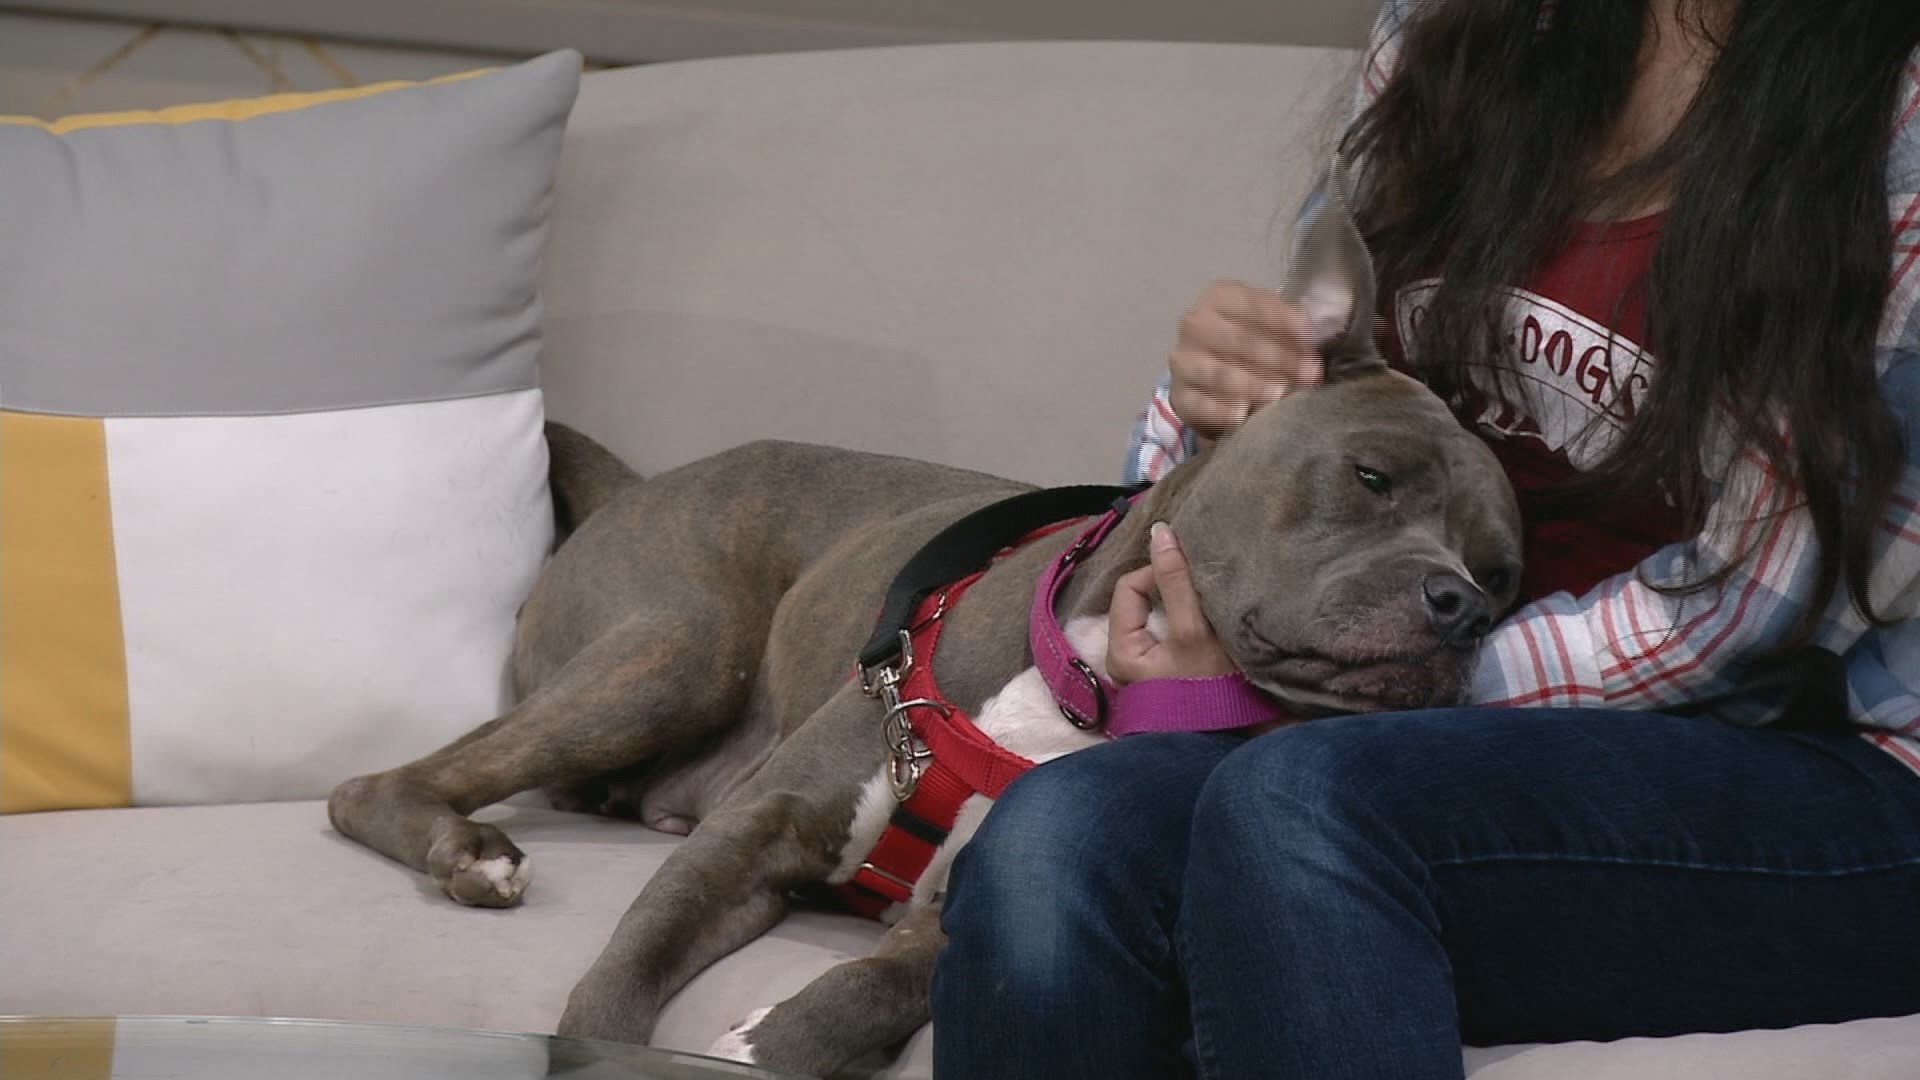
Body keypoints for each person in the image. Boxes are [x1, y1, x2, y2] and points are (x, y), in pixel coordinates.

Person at [929, 1, 1920, 1077]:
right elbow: (1322, 375)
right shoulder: (1460, 20)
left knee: (1309, 806)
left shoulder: (1896, 117)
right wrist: (1213, 419)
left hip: (1828, 761)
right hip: (1417, 707)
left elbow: (1746, 610)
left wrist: (1326, 680)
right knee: (1057, 840)